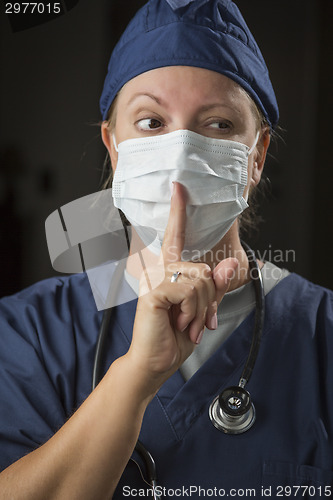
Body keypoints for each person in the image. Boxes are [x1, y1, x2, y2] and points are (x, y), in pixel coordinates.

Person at [0, 0, 333, 499]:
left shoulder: (322, 337)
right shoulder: (28, 335)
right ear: (115, 150)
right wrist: (135, 377)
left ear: (257, 157)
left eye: (218, 124)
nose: (181, 153)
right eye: (152, 122)